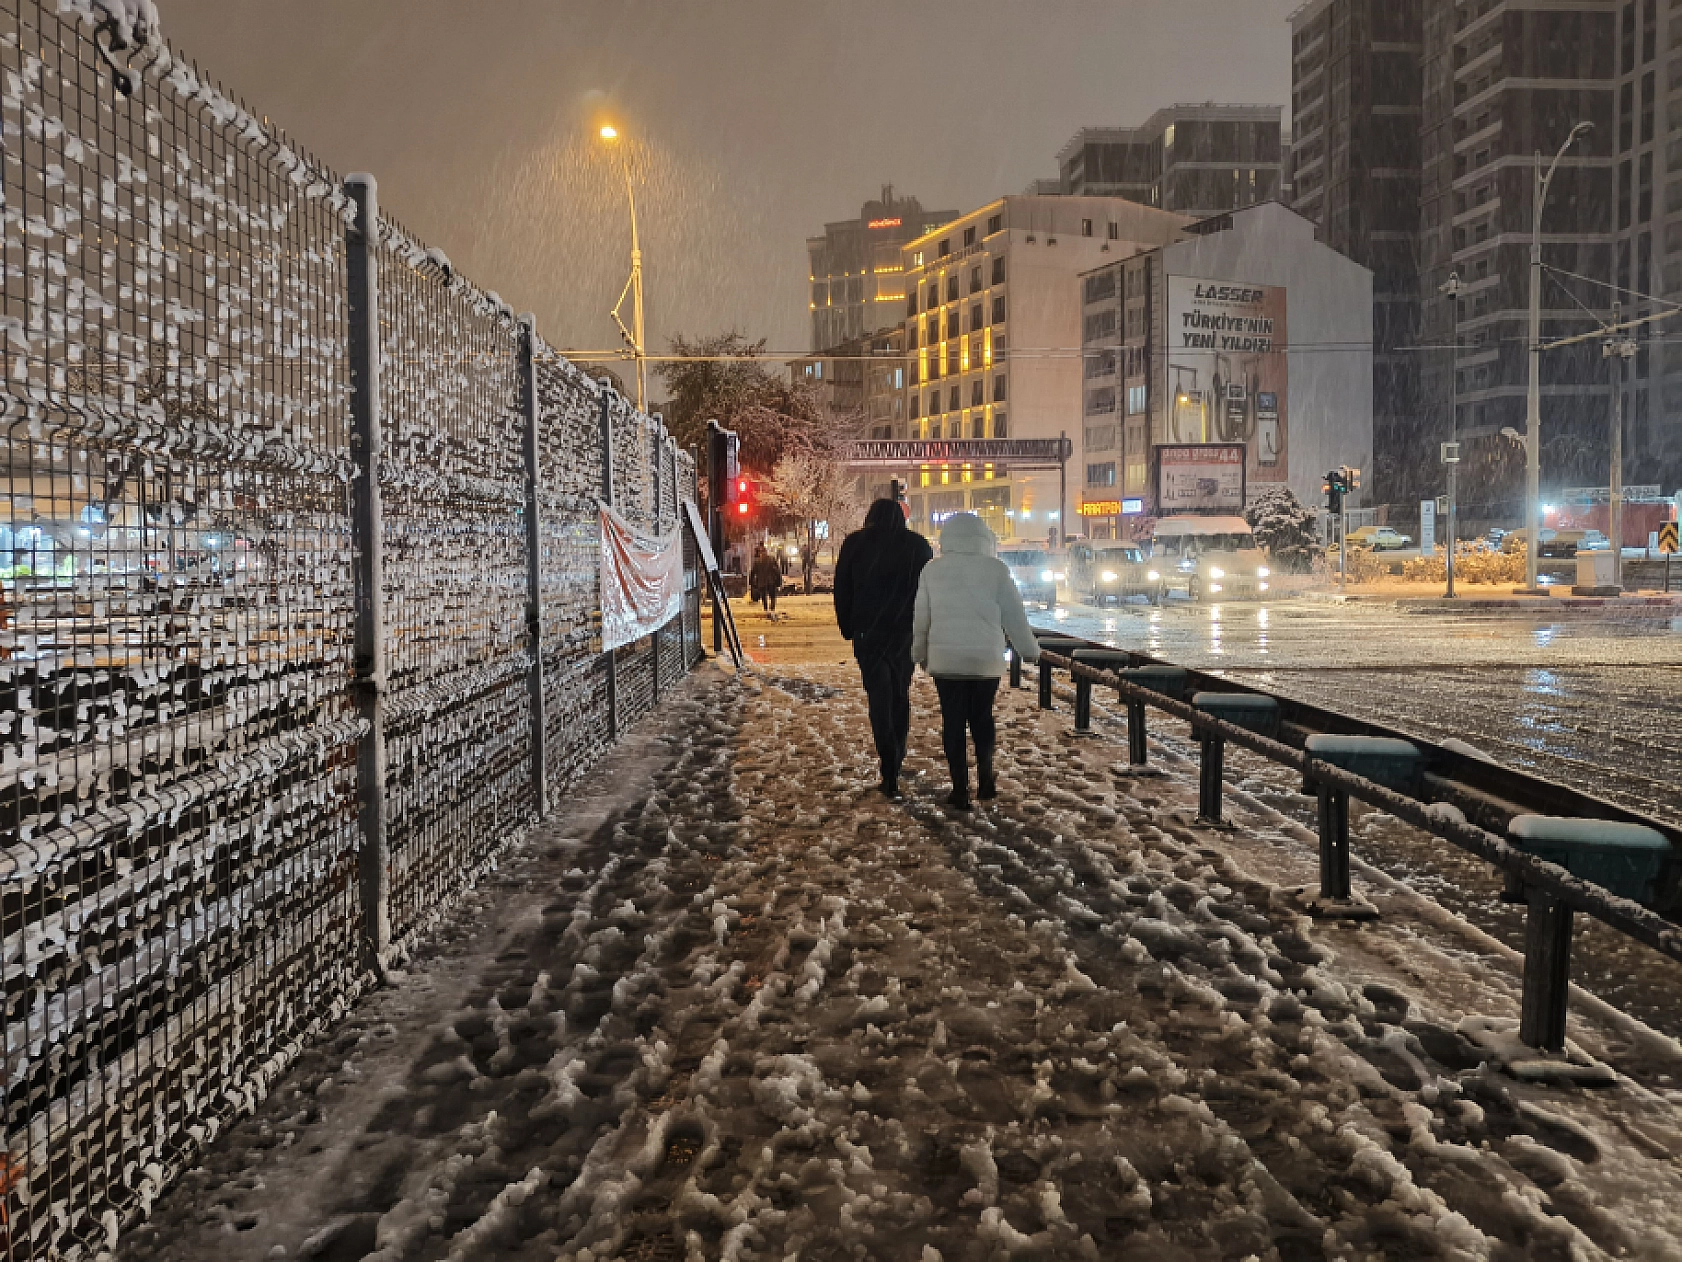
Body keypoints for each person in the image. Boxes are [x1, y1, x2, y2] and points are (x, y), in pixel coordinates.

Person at [912, 512, 1038, 810]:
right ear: (983, 539)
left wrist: (918, 652)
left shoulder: (932, 571)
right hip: (985, 661)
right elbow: (1014, 617)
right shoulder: (996, 570)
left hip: (946, 662)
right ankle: (986, 779)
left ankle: (959, 788)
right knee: (982, 718)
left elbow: (922, 618)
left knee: (953, 722)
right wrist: (1029, 649)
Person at [834, 499, 933, 798]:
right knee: (900, 693)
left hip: (869, 634)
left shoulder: (855, 544)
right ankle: (898, 749)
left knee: (879, 697)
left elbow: (842, 588)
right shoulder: (918, 546)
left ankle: (888, 763)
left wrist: (848, 626)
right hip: (904, 633)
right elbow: (928, 592)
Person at [749, 543, 783, 613]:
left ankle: (767, 610)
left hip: (762, 582)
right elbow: (777, 571)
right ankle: (772, 610)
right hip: (771, 581)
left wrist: (751, 582)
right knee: (772, 596)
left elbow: (753, 572)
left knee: (764, 596)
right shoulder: (771, 559)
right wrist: (779, 581)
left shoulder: (757, 561)